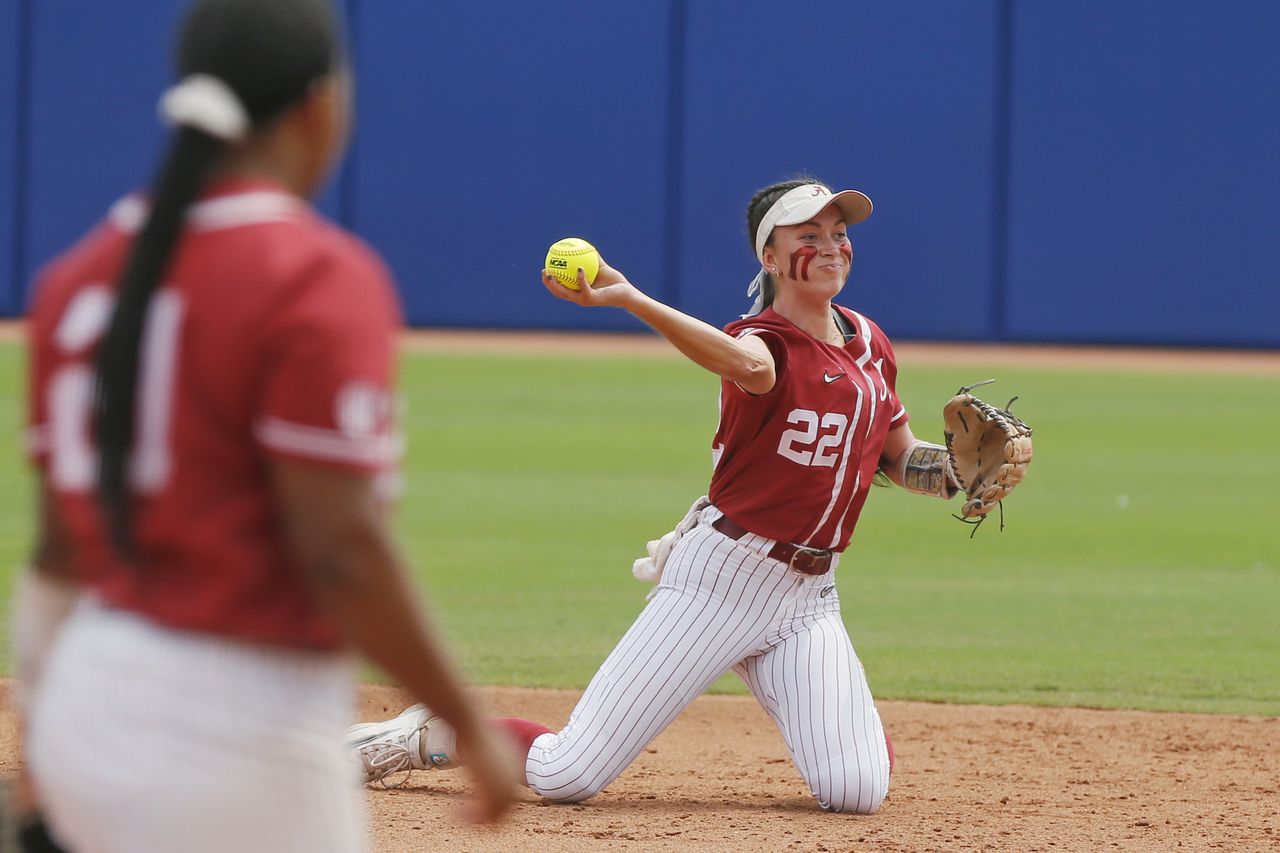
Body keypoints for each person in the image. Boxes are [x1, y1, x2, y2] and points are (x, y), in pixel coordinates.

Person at [14, 1, 517, 849]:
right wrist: (467, 721)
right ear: (320, 105)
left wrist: (42, 740)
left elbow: (59, 555)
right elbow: (339, 549)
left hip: (85, 700)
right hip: (242, 726)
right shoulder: (315, 274)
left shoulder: (77, 278)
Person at [350, 177, 961, 814]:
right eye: (809, 236)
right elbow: (743, 364)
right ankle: (432, 734)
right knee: (567, 775)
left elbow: (897, 457)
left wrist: (959, 473)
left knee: (856, 791)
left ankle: (839, 721)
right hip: (722, 582)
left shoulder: (870, 344)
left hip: (809, 599)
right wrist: (633, 299)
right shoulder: (762, 342)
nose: (832, 246)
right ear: (771, 258)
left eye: (839, 234)